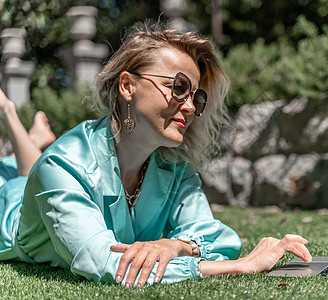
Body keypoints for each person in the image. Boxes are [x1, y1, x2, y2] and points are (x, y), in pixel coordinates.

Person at [0, 24, 311, 287]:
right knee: (23, 178)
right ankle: (10, 114)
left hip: (41, 177)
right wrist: (240, 266)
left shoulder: (173, 166)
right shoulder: (62, 166)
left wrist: (173, 245)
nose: (190, 107)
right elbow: (102, 262)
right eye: (177, 87)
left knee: (28, 172)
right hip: (9, 215)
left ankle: (32, 141)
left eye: (195, 96)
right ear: (127, 86)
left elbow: (216, 237)